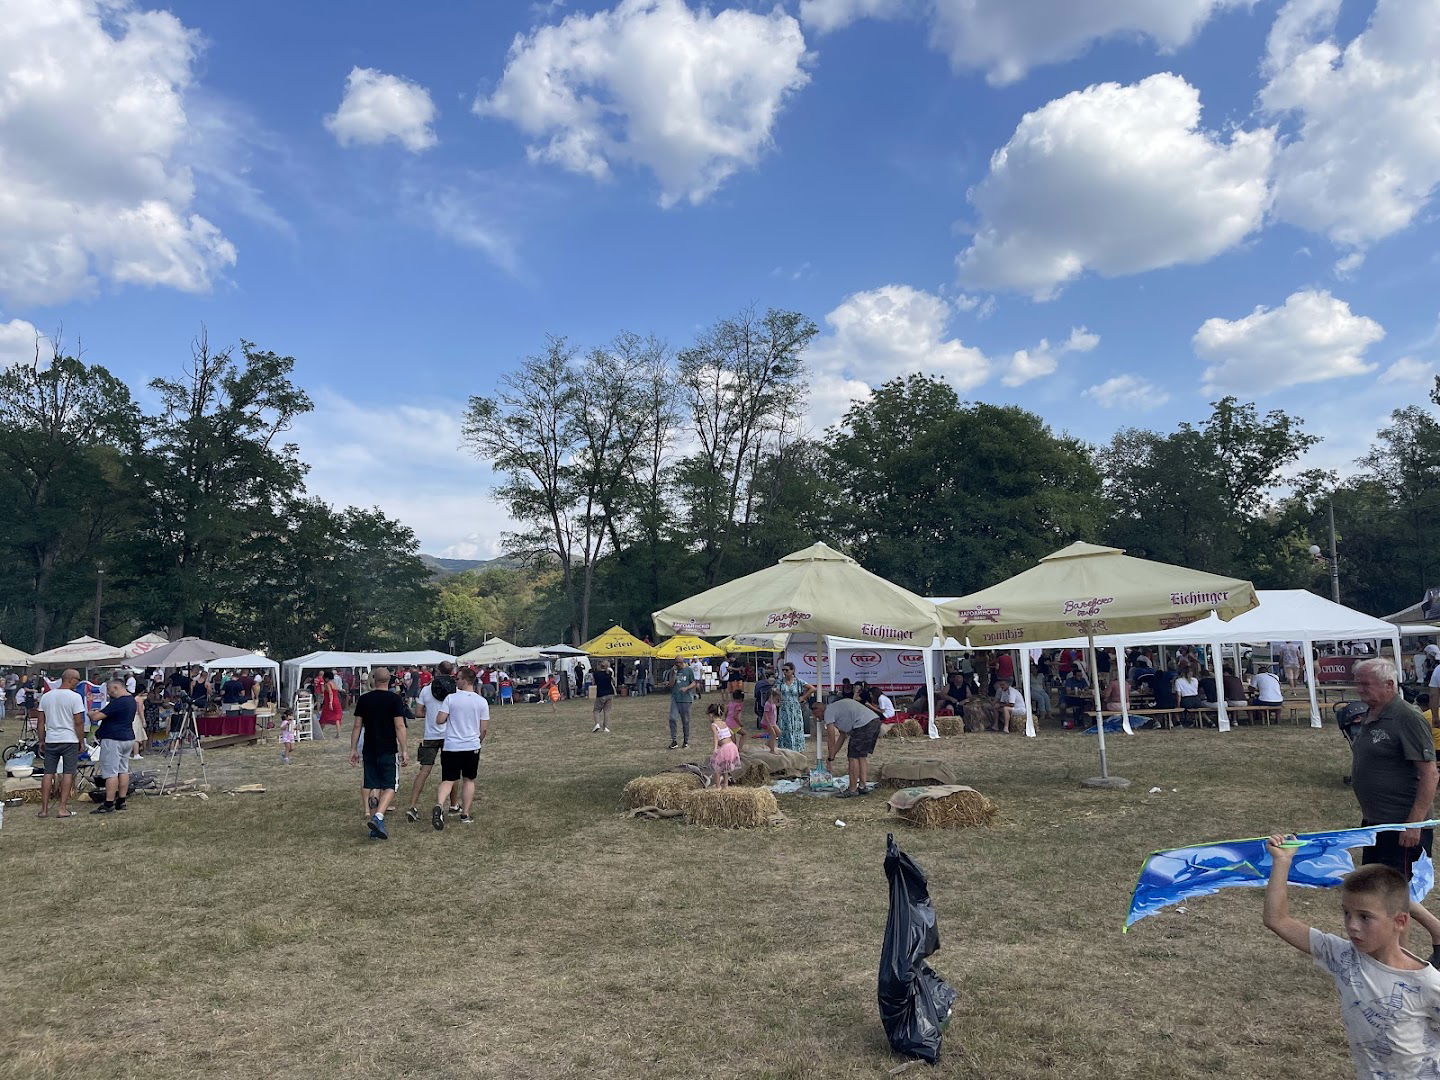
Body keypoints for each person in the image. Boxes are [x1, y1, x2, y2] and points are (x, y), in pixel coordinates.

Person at [1262, 834, 1440, 1077]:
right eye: (1347, 913)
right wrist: (1282, 862)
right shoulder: (1343, 957)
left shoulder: (1427, 983)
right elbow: (1277, 920)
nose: (1352, 925)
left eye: (1365, 917)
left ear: (1399, 921)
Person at [1349, 657, 1438, 878]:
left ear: (1389, 684)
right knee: (1375, 892)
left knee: (1399, 894)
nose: (1359, 690)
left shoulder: (1407, 717)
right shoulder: (1372, 712)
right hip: (1376, 823)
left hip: (1402, 824)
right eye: (1357, 683)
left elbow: (1430, 773)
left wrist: (1414, 824)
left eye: (1366, 684)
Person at [348, 665, 409, 840]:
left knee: (373, 785)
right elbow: (399, 725)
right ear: (389, 680)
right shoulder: (394, 699)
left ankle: (374, 829)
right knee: (389, 785)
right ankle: (378, 817)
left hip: (369, 748)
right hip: (387, 748)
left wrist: (353, 749)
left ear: (374, 680)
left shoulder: (364, 699)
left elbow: (357, 726)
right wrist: (404, 749)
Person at [432, 669, 488, 830]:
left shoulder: (450, 698)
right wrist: (479, 741)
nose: (455, 681)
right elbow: (483, 729)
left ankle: (439, 805)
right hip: (471, 745)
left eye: (457, 679)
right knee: (469, 779)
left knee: (448, 779)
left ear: (464, 680)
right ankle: (465, 813)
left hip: (451, 746)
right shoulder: (481, 701)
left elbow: (440, 720)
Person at [405, 661, 457, 822]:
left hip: (431, 735)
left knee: (424, 771)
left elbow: (418, 712)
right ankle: (454, 805)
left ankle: (413, 806)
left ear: (437, 671)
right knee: (451, 772)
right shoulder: (455, 690)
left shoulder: (426, 690)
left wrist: (430, 712)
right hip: (450, 735)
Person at [37, 669, 86, 819]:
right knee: (68, 772)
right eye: (77, 679)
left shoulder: (46, 696)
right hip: (69, 739)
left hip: (52, 739)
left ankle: (44, 809)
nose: (78, 682)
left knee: (48, 773)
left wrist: (41, 740)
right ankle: (62, 808)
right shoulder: (75, 697)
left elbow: (41, 722)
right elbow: (78, 722)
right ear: (71, 679)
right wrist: (81, 741)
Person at [88, 678, 137, 815]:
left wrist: (91, 713)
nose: (110, 694)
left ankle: (109, 802)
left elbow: (96, 717)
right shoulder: (131, 700)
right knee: (123, 770)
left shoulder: (119, 702)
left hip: (113, 739)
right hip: (128, 737)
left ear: (116, 687)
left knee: (111, 772)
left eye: (110, 691)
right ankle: (121, 800)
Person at [823, 689, 883, 798]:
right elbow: (842, 737)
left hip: (863, 724)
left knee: (853, 757)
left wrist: (830, 758)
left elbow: (831, 738)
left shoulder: (828, 711)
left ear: (817, 710)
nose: (819, 720)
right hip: (875, 721)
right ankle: (862, 786)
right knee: (861, 756)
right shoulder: (838, 711)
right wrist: (831, 757)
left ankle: (852, 789)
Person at [775, 662, 811, 752]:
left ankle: (797, 748)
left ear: (792, 670)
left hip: (795, 707)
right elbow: (774, 691)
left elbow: (812, 688)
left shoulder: (798, 681)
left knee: (796, 727)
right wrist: (777, 700)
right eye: (783, 670)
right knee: (784, 728)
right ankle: (785, 748)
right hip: (784, 708)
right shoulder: (780, 681)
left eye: (786, 670)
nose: (784, 672)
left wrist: (803, 697)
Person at [664, 659, 698, 750]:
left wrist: (687, 688)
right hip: (675, 698)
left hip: (686, 699)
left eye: (679, 663)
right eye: (676, 663)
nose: (677, 665)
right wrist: (674, 673)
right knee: (672, 718)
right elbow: (671, 684)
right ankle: (674, 740)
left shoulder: (689, 670)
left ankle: (685, 741)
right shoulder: (673, 670)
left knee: (685, 721)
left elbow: (694, 682)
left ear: (682, 662)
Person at [708, 703, 740, 788]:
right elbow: (732, 733)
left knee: (717, 768)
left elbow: (715, 736)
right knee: (726, 767)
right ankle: (726, 785)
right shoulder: (724, 722)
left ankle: (718, 787)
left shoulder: (713, 724)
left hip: (725, 748)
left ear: (711, 715)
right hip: (731, 746)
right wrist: (733, 744)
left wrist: (715, 748)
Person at [591, 659, 615, 733]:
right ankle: (606, 727)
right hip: (610, 693)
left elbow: (593, 682)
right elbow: (613, 681)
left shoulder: (596, 673)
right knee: (607, 711)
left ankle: (597, 723)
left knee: (596, 710)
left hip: (601, 694)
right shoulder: (609, 673)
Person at [318, 670, 343, 736]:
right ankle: (338, 733)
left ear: (326, 678)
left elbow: (330, 693)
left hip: (329, 702)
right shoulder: (334, 683)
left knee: (323, 718)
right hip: (336, 701)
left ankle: (320, 733)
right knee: (337, 717)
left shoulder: (328, 684)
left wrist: (330, 703)